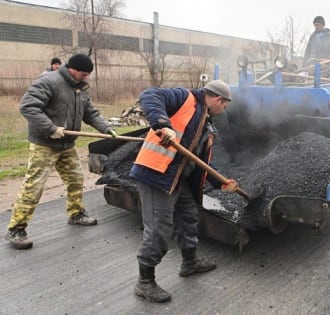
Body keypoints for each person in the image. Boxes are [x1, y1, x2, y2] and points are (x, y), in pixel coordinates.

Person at [129, 80, 238, 303]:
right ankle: (145, 281)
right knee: (159, 228)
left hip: (179, 180)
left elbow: (200, 162)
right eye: (225, 106)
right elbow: (149, 95)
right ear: (218, 100)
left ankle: (190, 262)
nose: (223, 110)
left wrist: (221, 182)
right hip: (156, 174)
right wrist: (162, 124)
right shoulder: (185, 97)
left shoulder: (207, 125)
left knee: (188, 217)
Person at [4, 53, 117, 250]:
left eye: (88, 74)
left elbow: (91, 113)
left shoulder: (80, 88)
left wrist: (106, 128)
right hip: (44, 144)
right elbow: (28, 107)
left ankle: (76, 214)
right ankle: (16, 229)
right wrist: (51, 128)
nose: (87, 77)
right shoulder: (50, 81)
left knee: (75, 178)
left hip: (66, 144)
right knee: (34, 185)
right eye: (84, 73)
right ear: (72, 69)